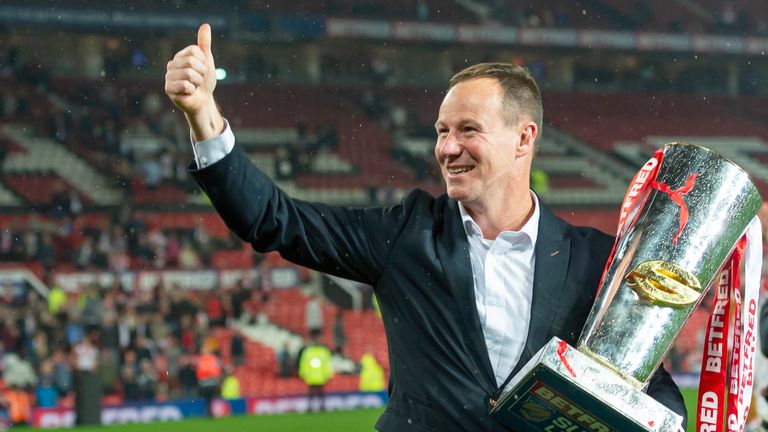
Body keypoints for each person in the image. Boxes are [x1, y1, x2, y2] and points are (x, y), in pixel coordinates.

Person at [165, 23, 687, 431]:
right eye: (441, 131)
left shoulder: (594, 260)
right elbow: (274, 219)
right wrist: (203, 117)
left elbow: (650, 390)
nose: (447, 147)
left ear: (523, 139)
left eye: (467, 130)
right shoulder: (405, 235)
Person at [298, 333, 334, 412]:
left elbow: (327, 364)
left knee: (321, 392)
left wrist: (327, 374)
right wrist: (304, 374)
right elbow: (304, 364)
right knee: (311, 393)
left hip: (320, 375)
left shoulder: (324, 351)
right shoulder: (308, 352)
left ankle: (322, 407)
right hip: (311, 376)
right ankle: (310, 407)